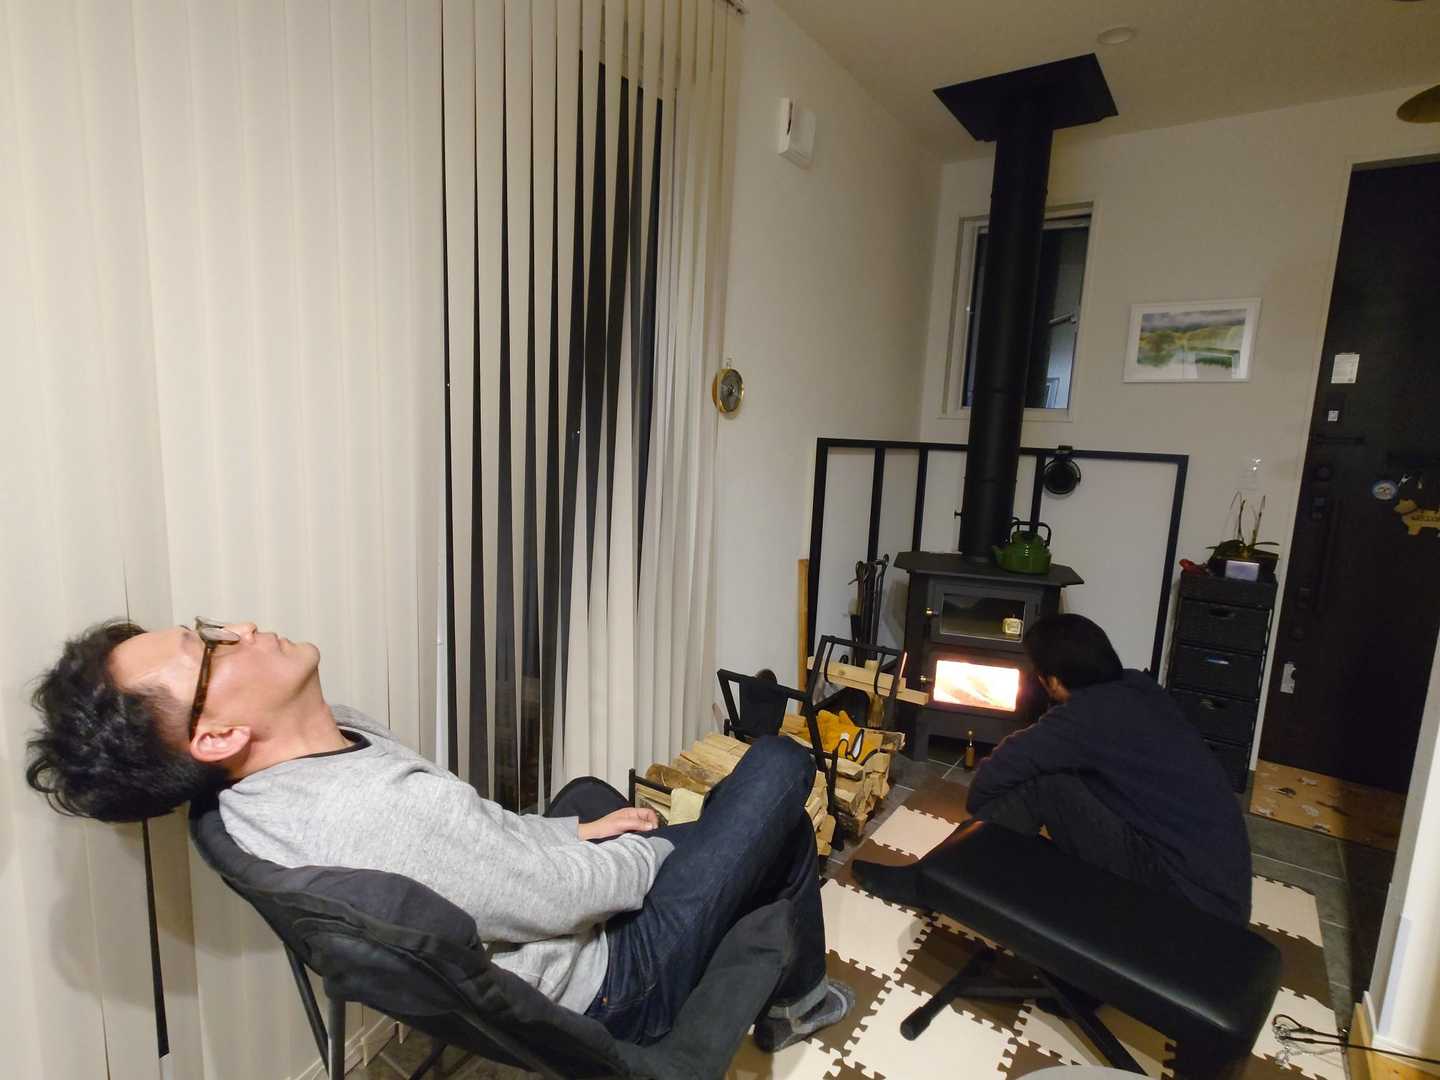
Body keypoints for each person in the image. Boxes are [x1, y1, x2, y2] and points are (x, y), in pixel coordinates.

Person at [25, 618, 855, 1050]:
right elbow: (558, 897)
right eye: (210, 649)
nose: (239, 627)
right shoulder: (368, 809)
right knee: (779, 772)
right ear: (215, 737)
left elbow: (476, 840)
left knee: (595, 797)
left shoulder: (285, 773)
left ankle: (788, 985)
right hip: (614, 982)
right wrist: (653, 848)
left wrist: (576, 831)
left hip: (537, 916)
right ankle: (798, 998)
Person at [859, 614, 1252, 924]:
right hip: (1222, 891)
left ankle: (928, 884)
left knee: (1046, 786)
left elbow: (988, 785)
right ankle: (945, 872)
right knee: (1060, 784)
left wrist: (995, 817)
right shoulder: (1139, 688)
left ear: (1056, 682)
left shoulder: (1086, 717)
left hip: (1191, 903)